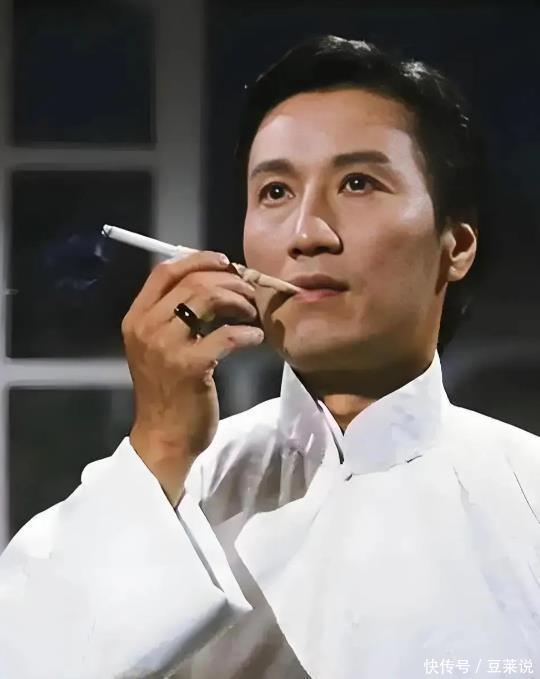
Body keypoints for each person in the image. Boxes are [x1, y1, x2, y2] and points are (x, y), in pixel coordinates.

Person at [1, 35, 539, 679]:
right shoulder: (173, 489)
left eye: (358, 183)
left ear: (456, 246)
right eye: (276, 192)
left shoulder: (527, 492)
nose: (307, 234)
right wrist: (161, 443)